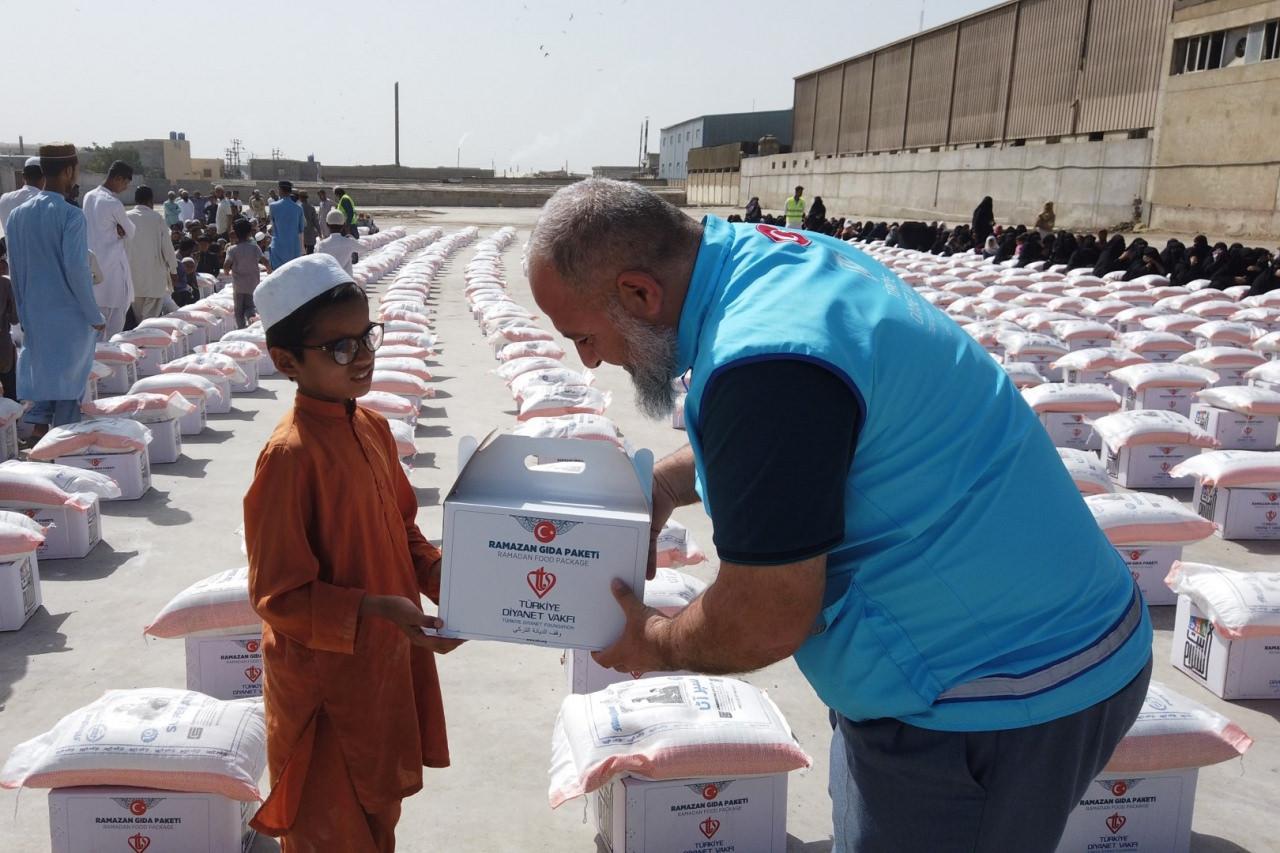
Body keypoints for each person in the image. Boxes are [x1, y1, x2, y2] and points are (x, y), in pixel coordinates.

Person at [525, 179, 1152, 852]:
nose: (588, 359)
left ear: (638, 293)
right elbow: (796, 442)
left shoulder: (762, 361)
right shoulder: (765, 260)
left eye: (583, 336)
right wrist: (665, 487)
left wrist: (651, 639)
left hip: (993, 694)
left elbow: (764, 615)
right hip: (1050, 624)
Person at [243, 253, 461, 850]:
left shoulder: (372, 428)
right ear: (286, 360)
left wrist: (459, 588)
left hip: (382, 669)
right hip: (325, 692)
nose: (362, 355)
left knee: (377, 819)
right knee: (330, 831)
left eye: (366, 336)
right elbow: (277, 596)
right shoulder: (289, 457)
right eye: (339, 348)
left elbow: (405, 531)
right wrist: (377, 610)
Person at [4, 144, 105, 431]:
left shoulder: (17, 215)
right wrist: (94, 315)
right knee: (67, 395)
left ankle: (40, 448)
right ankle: (63, 458)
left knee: (43, 391)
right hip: (68, 318)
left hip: (34, 314)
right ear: (69, 170)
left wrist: (23, 313)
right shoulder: (70, 215)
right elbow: (77, 270)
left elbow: (16, 268)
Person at [82, 160, 136, 340]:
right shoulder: (113, 203)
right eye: (126, 182)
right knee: (113, 334)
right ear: (117, 178)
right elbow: (131, 231)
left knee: (94, 335)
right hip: (113, 274)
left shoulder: (89, 196)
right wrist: (120, 230)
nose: (125, 187)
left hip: (94, 273)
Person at [125, 185, 179, 321]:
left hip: (133, 279)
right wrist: (173, 270)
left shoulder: (126, 218)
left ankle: (142, 339)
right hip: (154, 279)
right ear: (150, 201)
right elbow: (168, 248)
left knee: (139, 319)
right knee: (149, 321)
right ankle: (147, 341)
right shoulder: (156, 218)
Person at [223, 218, 271, 328]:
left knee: (238, 310)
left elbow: (226, 264)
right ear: (250, 233)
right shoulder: (254, 247)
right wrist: (269, 270)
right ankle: (251, 320)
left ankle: (241, 328)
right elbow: (265, 261)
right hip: (253, 283)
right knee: (250, 307)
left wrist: (226, 272)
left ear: (235, 233)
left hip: (238, 285)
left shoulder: (232, 249)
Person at [0, 158, 45, 236]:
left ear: (23, 177)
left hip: (11, 248)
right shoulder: (45, 202)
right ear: (44, 178)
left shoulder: (4, 199)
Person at [268, 180, 304, 269]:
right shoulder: (298, 208)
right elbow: (301, 229)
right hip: (293, 249)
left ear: (280, 190)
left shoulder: (273, 206)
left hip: (278, 249)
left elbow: (273, 225)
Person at [314, 209, 360, 275]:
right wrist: (351, 237)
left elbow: (317, 261)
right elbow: (365, 248)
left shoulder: (321, 245)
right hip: (346, 280)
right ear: (343, 225)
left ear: (327, 224)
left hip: (330, 281)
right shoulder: (349, 242)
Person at [0, 240, 19, 401]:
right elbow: (14, 319)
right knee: (10, 387)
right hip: (2, 344)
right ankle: (11, 423)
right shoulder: (6, 284)